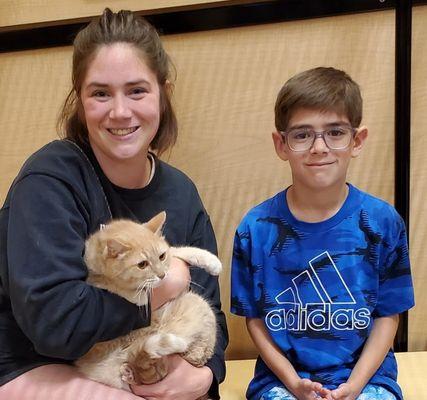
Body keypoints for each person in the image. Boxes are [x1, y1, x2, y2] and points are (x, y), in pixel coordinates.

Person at [0, 8, 227, 400]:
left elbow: (211, 310)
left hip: (135, 353)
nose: (120, 112)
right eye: (100, 93)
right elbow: (56, 325)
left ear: (163, 93)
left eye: (137, 90)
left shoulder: (181, 193)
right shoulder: (50, 179)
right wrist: (164, 286)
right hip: (33, 359)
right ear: (80, 100)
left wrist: (205, 376)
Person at [230, 67, 414, 400]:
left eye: (335, 132)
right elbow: (254, 320)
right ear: (281, 144)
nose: (319, 147)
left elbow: (389, 315)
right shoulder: (254, 229)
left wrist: (354, 386)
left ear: (357, 141)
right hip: (281, 382)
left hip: (368, 379)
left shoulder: (383, 222)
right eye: (302, 135)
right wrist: (293, 383)